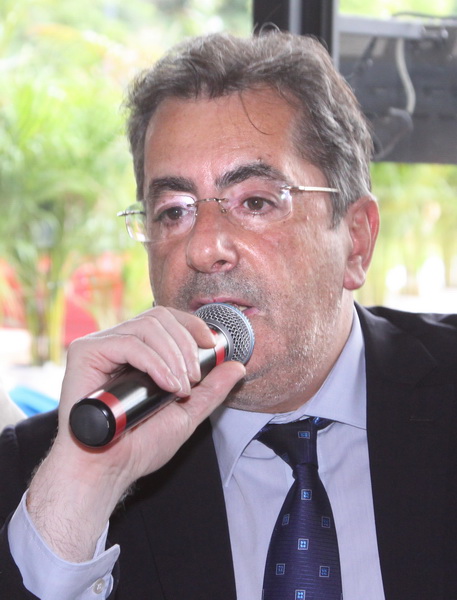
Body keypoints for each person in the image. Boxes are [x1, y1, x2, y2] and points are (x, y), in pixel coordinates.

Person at [1, 30, 457, 600]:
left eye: (256, 202)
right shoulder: (51, 472)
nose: (203, 247)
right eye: (174, 211)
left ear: (356, 241)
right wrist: (84, 495)